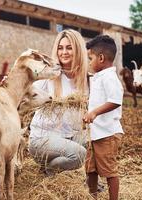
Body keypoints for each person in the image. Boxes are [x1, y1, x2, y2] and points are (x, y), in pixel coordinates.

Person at [29, 29, 89, 175]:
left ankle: (91, 179)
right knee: (80, 155)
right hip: (42, 140)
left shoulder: (86, 80)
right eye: (60, 48)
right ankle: (50, 169)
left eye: (69, 48)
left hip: (67, 137)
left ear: (78, 50)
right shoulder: (49, 74)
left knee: (92, 144)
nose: (64, 52)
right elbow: (27, 91)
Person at [83, 35, 124, 200]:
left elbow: (115, 101)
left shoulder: (109, 77)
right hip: (95, 133)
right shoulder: (98, 76)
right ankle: (93, 197)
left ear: (101, 58)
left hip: (107, 134)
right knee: (90, 169)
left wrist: (94, 112)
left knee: (109, 171)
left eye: (90, 58)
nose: (89, 62)